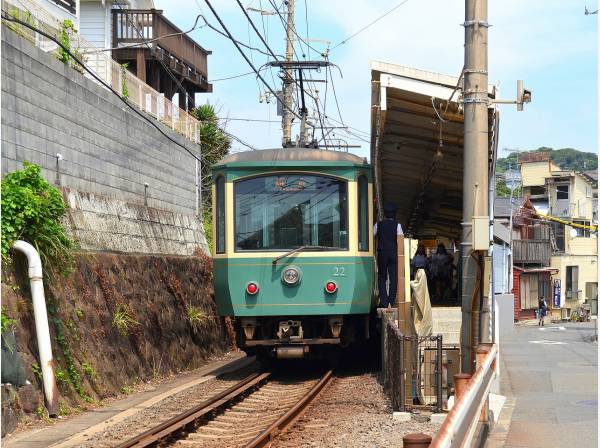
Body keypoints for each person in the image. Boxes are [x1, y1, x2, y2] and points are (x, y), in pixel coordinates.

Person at [374, 202, 403, 308]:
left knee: (382, 277)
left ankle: (384, 302)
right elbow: (400, 239)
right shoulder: (397, 226)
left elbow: (372, 236)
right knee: (393, 277)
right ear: (394, 214)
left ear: (385, 214)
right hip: (393, 253)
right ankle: (391, 300)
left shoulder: (378, 225)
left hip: (382, 253)